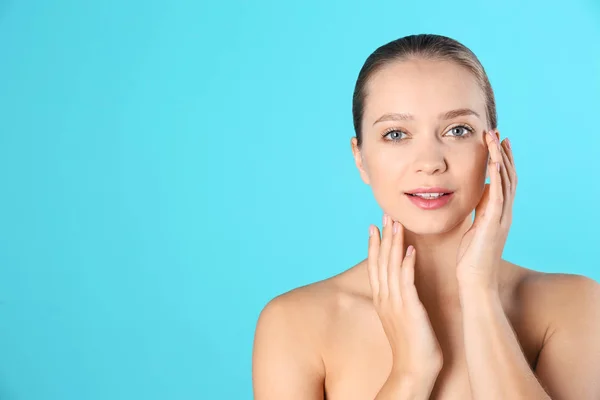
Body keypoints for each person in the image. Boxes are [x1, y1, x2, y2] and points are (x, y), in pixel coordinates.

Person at [251, 34, 600, 399]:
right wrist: (411, 372)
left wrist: (479, 290)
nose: (431, 163)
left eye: (458, 130)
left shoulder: (574, 306)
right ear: (360, 158)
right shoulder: (295, 324)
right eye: (396, 133)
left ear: (492, 149)